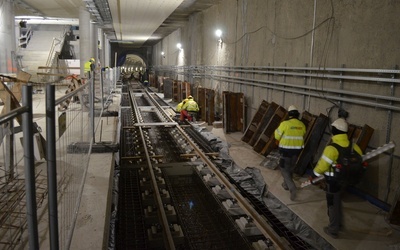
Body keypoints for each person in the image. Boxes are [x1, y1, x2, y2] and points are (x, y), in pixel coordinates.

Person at [312, 118, 363, 238]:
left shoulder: (332, 148)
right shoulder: (354, 146)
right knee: (337, 201)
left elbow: (322, 166)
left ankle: (333, 229)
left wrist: (314, 174)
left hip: (333, 182)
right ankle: (339, 224)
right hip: (346, 180)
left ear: (334, 131)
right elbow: (360, 160)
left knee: (332, 204)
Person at [274, 105, 306, 201]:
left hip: (286, 151)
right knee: (290, 168)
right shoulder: (302, 125)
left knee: (284, 169)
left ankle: (292, 187)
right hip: (297, 151)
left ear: (289, 115)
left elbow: (277, 136)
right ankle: (286, 185)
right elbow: (303, 134)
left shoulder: (285, 124)